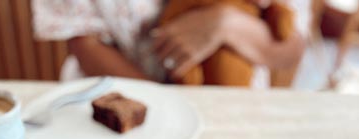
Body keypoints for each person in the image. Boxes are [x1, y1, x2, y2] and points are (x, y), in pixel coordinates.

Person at [31, 0, 311, 87]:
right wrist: (170, 108)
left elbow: (291, 51)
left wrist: (226, 24)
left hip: (230, 108)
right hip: (114, 94)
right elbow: (85, 46)